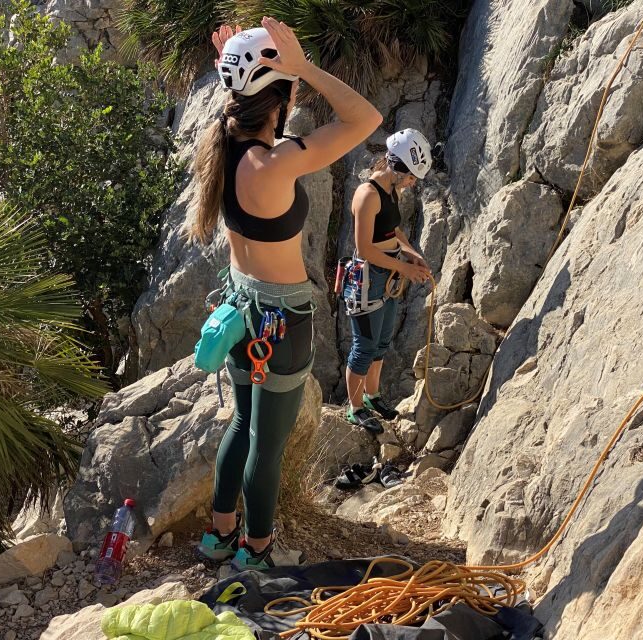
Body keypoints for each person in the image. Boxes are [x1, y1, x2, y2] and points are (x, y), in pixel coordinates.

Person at [190, 17, 382, 570]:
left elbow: (242, 102)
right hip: (281, 321)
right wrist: (303, 67)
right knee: (265, 448)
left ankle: (220, 535)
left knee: (242, 425)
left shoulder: (226, 146)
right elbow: (365, 118)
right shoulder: (277, 164)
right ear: (282, 93)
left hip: (237, 306)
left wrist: (239, 70)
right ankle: (258, 552)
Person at [342, 129, 434, 434]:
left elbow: (394, 233)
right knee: (363, 346)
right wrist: (404, 268)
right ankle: (355, 408)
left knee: (381, 341)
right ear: (397, 168)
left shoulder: (392, 191)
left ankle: (372, 395)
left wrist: (412, 255)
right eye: (410, 177)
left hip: (389, 273)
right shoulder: (367, 195)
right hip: (369, 276)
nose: (412, 183)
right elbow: (365, 248)